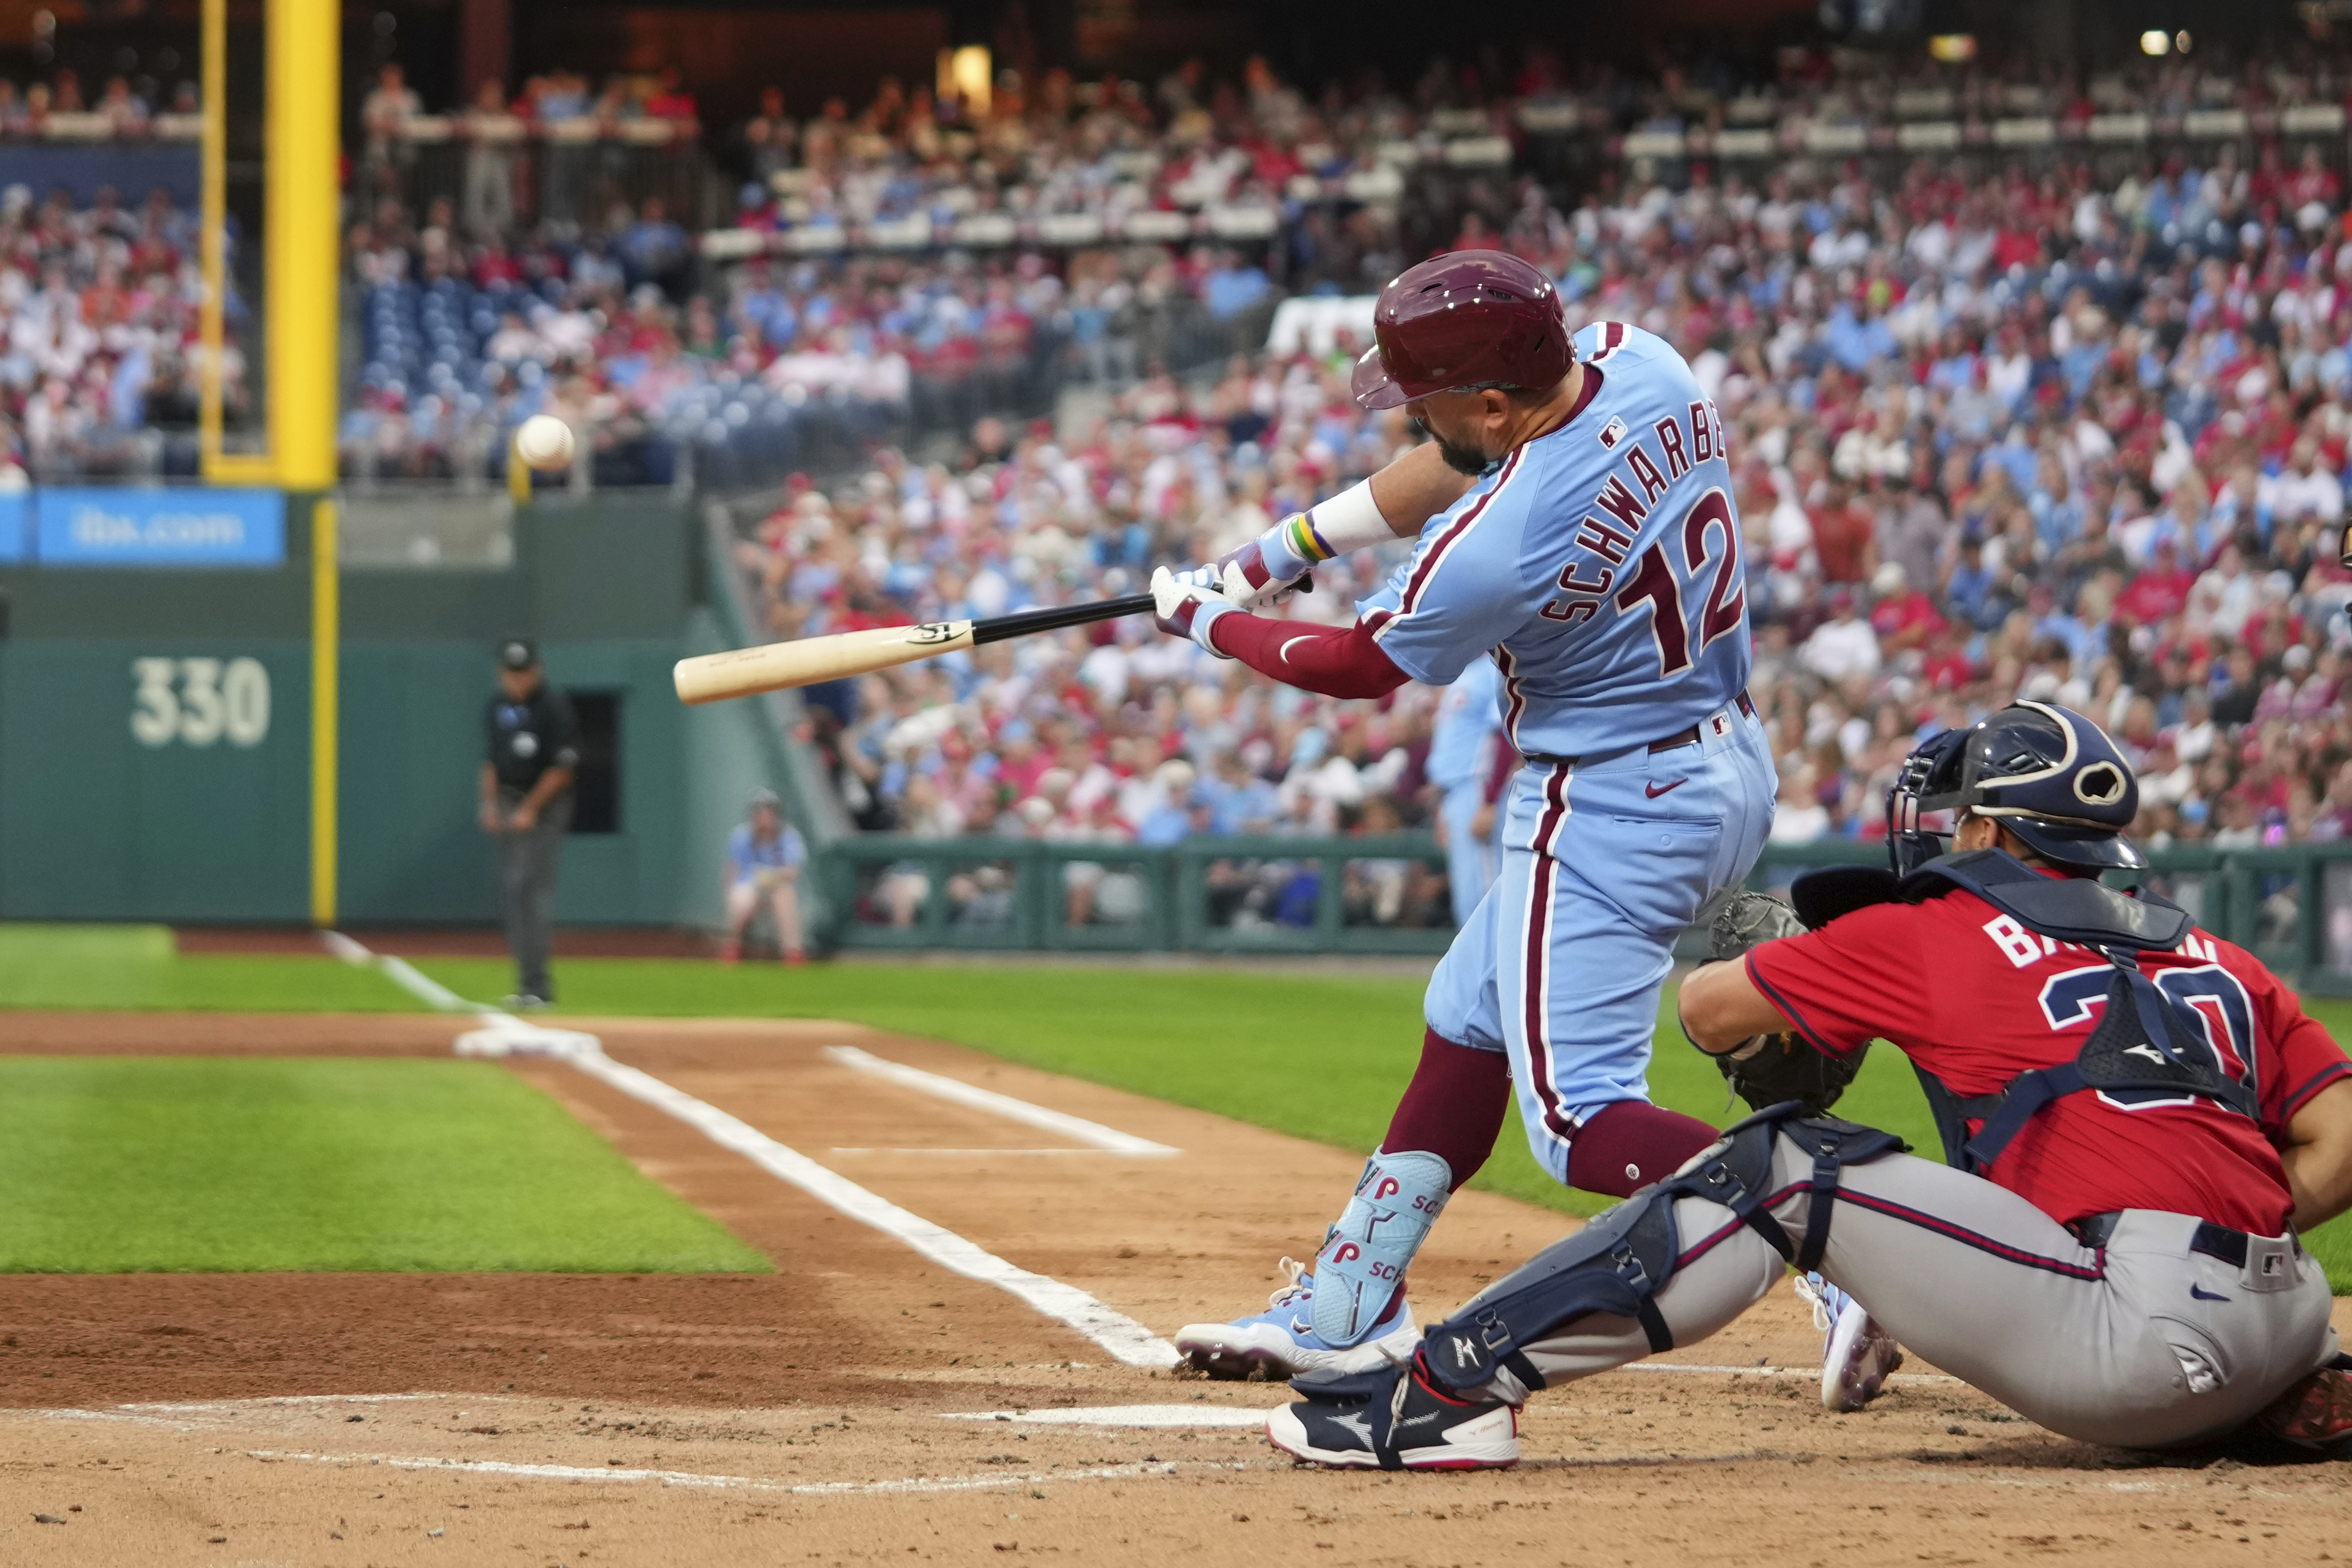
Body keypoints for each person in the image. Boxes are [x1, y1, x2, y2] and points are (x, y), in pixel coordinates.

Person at [1263, 702, 2352, 1470]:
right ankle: (2255, 1395)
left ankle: (1444, 1389)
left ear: (1986, 830)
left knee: (1780, 1160)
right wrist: (2214, 1219)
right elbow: (2339, 1145)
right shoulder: (2221, 958)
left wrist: (1796, 957)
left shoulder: (1935, 928)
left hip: (2138, 1340)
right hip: (2292, 1316)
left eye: (1956, 814)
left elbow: (1709, 1011)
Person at [1157, 252, 1779, 1379]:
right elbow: (1442, 466)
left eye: (1432, 399)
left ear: (1495, 401)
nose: (1416, 419)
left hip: (1608, 801)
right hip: (1724, 759)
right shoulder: (1649, 367)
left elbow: (1356, 665)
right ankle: (1348, 1305)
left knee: (1580, 1120)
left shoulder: (1501, 540)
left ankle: (1836, 1230)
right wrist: (1270, 557)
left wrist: (1206, 622)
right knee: (1466, 1016)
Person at [479, 638, 579, 1009]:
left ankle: (538, 988)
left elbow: (563, 768)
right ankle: (526, 985)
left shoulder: (552, 707)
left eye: (523, 672)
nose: (517, 679)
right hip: (509, 800)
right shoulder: (497, 706)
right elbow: (490, 760)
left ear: (537, 671)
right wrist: (490, 804)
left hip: (546, 805)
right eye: (510, 672)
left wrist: (530, 809)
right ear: (501, 673)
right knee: (513, 890)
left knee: (531, 889)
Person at [1426, 657, 1506, 927]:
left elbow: (1503, 736)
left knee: (1482, 892)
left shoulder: (1494, 668)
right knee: (1465, 892)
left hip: (1478, 787)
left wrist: (1490, 802)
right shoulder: (1460, 672)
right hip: (1454, 792)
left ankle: (1495, 968)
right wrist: (1441, 807)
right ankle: (1477, 967)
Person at [721, 787, 807, 964]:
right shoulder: (741, 836)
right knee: (740, 898)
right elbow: (732, 871)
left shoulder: (788, 836)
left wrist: (770, 877)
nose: (764, 818)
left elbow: (793, 872)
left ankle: (793, 954)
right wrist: (732, 892)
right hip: (749, 886)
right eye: (759, 812)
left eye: (768, 812)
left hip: (776, 886)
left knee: (784, 895)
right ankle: (733, 947)